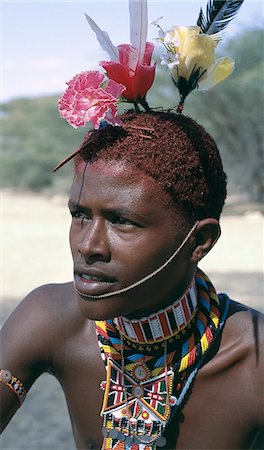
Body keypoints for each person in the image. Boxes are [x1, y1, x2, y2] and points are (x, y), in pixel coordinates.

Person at [1, 1, 263, 448]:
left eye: (122, 221)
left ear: (199, 241)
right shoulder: (52, 318)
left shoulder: (253, 362)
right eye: (80, 215)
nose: (88, 246)